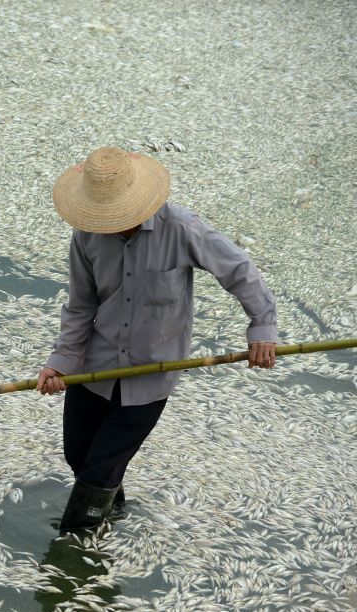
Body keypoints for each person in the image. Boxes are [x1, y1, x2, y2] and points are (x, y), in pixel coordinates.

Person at [37, 147, 277, 533]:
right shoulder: (86, 237)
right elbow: (81, 305)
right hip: (94, 369)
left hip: (151, 375)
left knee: (100, 469)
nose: (111, 223)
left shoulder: (182, 228)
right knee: (79, 455)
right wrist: (61, 362)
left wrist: (261, 328)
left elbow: (240, 270)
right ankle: (113, 513)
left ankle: (75, 540)